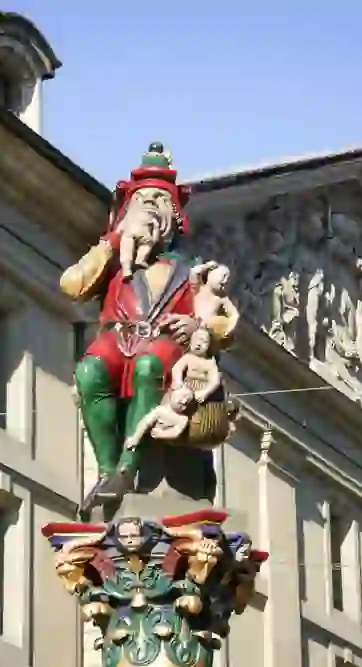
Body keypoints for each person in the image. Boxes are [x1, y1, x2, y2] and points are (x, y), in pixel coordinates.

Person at [60, 144, 236, 512]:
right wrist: (113, 239)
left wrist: (197, 325)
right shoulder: (112, 259)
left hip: (165, 343)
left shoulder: (193, 269)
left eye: (160, 199)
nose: (151, 207)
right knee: (89, 371)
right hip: (118, 336)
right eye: (143, 200)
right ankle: (110, 471)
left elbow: (224, 323)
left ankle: (129, 465)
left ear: (174, 216)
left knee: (149, 367)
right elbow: (71, 284)